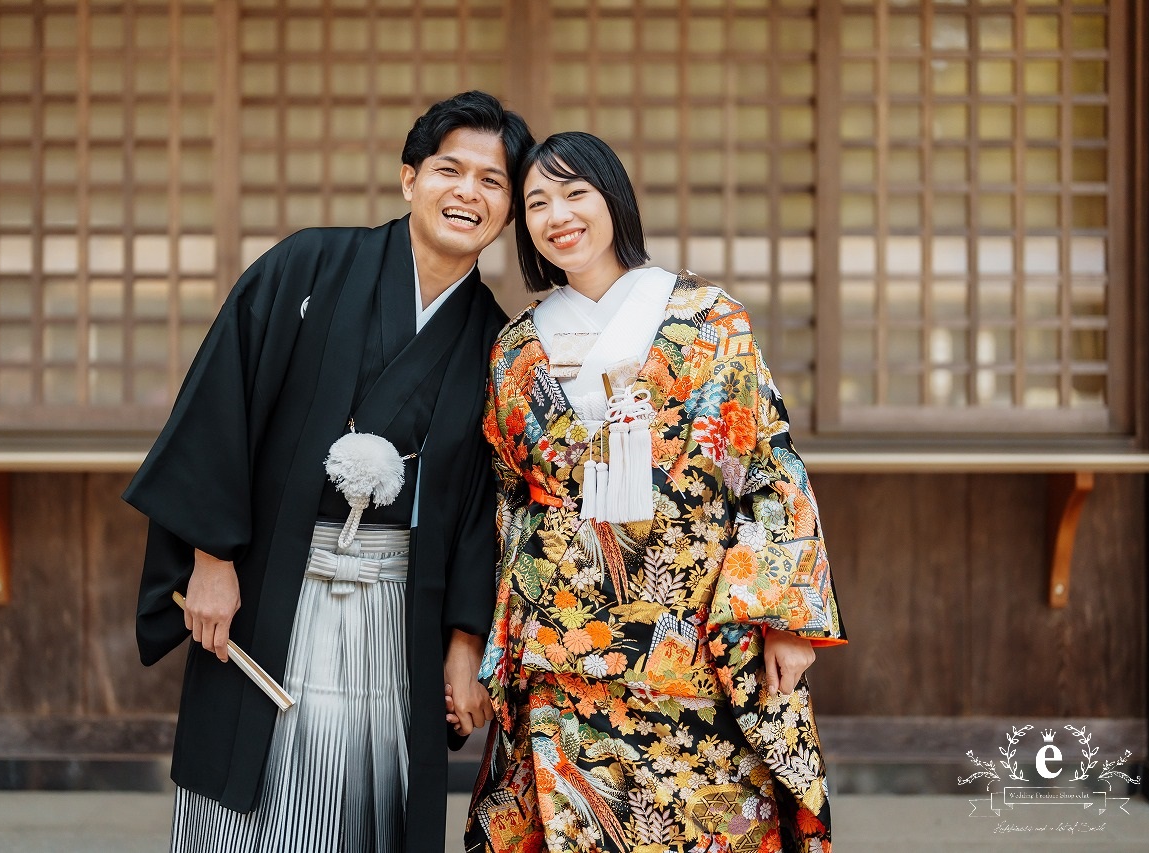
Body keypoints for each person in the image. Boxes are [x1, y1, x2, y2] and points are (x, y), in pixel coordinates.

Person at [123, 91, 534, 853]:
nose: (468, 192)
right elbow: (220, 405)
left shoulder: (493, 340)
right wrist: (210, 558)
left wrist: (466, 642)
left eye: (492, 181)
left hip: (396, 605)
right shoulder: (307, 265)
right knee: (248, 798)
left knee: (366, 793)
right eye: (450, 170)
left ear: (508, 210)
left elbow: (483, 508)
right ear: (410, 178)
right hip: (271, 582)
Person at [462, 132, 847, 853]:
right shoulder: (516, 349)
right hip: (565, 644)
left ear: (614, 198)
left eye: (575, 192)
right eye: (538, 202)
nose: (558, 215)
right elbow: (506, 505)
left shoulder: (709, 319)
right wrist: (492, 648)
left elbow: (769, 464)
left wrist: (786, 618)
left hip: (698, 634)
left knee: (716, 822)